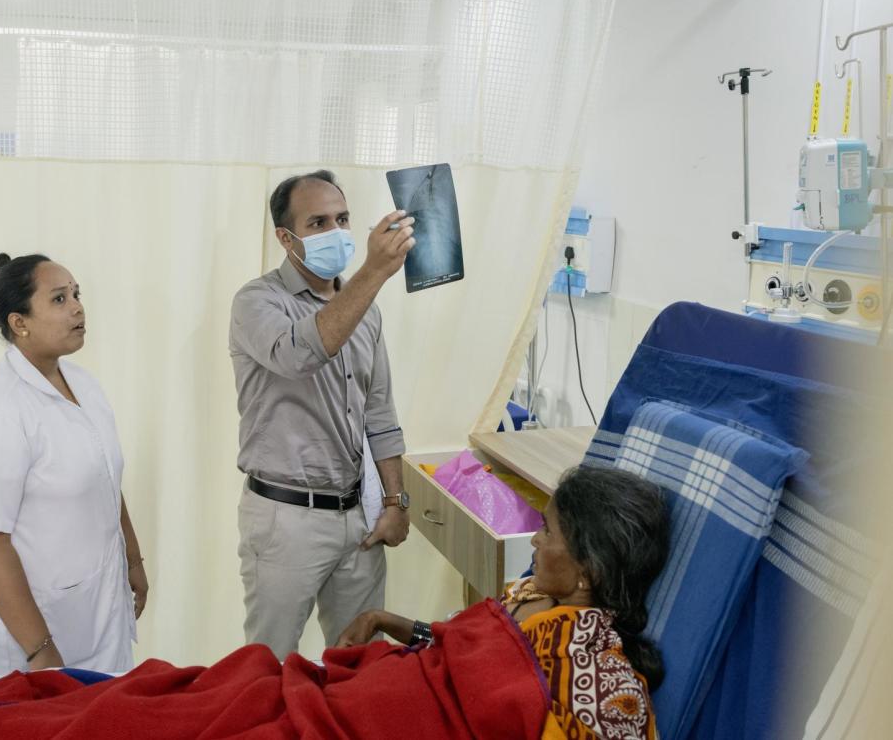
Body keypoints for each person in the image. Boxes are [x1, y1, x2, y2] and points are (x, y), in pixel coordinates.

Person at [337, 465, 671, 740]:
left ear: (589, 569)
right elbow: (451, 646)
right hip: (389, 697)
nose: (535, 539)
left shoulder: (601, 685)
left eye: (548, 532)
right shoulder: (529, 591)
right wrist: (379, 619)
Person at [228, 169, 416, 659]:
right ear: (286, 239)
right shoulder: (257, 302)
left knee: (361, 665)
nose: (336, 232)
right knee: (268, 665)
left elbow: (380, 412)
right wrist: (373, 272)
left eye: (343, 218)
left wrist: (396, 502)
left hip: (358, 516)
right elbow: (301, 354)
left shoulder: (367, 311)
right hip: (286, 518)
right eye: (318, 223)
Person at [0, 253, 147, 681]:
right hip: (20, 635)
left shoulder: (83, 384)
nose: (77, 307)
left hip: (87, 603)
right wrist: (40, 650)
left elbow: (107, 477)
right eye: (59, 299)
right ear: (19, 322)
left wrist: (133, 559)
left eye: (76, 294)